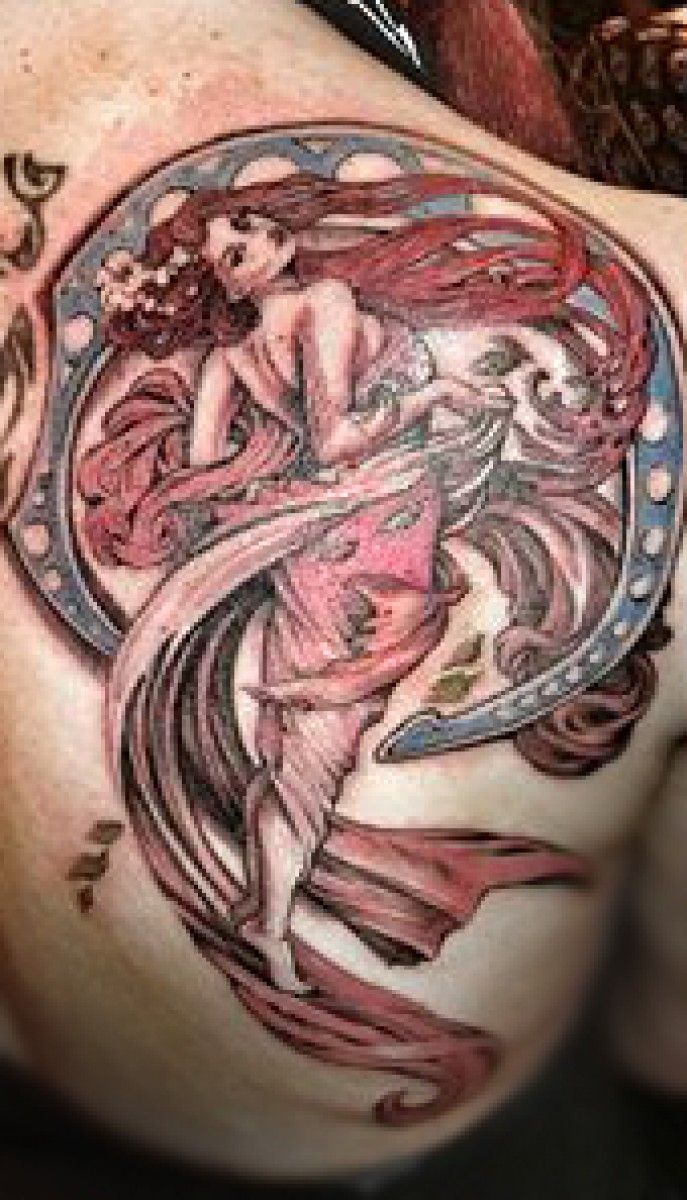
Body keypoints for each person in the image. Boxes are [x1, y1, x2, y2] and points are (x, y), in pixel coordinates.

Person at [0, 0, 685, 1179]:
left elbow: (207, 472)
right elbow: (670, 1030)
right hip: (359, 544)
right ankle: (268, 925)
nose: (233, 240)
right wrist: (427, 408)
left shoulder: (231, 350)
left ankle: (266, 918)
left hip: (304, 552)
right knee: (306, 758)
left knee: (294, 758)